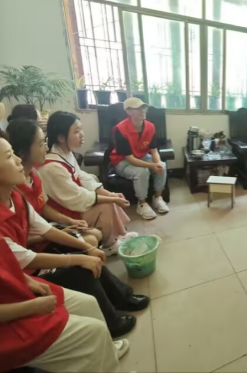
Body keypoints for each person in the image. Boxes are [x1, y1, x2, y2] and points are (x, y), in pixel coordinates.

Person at [0, 131, 149, 337]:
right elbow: (26, 258)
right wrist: (78, 257)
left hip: (33, 251)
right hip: (22, 275)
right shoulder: (45, 172)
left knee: (87, 252)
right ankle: (111, 321)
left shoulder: (17, 196)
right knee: (80, 269)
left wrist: (86, 248)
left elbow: (45, 227)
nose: (17, 159)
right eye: (10, 156)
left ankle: (121, 296)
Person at [0, 238, 129, 373]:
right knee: (94, 332)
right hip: (8, 326)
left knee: (88, 303)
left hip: (15, 288)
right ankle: (97, 356)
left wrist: (26, 280)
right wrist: (33, 306)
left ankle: (106, 353)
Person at [39, 111, 133, 252]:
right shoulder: (52, 167)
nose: (82, 135)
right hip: (64, 213)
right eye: (76, 131)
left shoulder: (64, 152)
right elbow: (77, 197)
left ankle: (117, 235)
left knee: (102, 190)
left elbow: (82, 177)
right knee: (106, 206)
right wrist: (110, 198)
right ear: (61, 137)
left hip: (71, 203)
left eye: (81, 129)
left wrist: (110, 194)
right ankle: (109, 245)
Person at [7, 118, 103, 251]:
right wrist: (56, 233)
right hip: (33, 243)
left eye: (45, 142)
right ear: (22, 152)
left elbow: (43, 207)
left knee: (96, 234)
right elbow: (17, 241)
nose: (46, 148)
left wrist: (69, 221)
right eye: (41, 144)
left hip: (44, 230)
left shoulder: (34, 175)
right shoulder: (12, 189)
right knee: (91, 240)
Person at [110, 97, 170, 220]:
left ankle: (158, 198)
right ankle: (142, 203)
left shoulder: (150, 127)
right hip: (122, 160)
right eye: (138, 108)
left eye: (144, 107)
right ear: (128, 111)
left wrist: (158, 163)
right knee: (142, 172)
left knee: (162, 166)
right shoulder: (120, 129)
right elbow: (130, 159)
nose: (143, 110)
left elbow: (154, 150)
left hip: (142, 156)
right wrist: (152, 165)